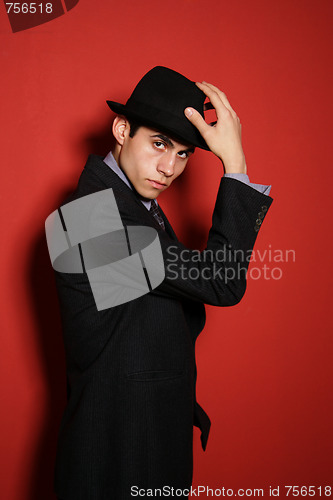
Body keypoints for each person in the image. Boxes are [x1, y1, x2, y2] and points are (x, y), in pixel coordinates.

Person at [46, 66, 273, 499]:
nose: (169, 168)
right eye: (159, 144)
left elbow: (144, 324)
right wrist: (235, 163)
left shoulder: (134, 208)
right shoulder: (88, 220)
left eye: (184, 154)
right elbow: (221, 281)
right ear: (122, 129)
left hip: (148, 441)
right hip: (115, 458)